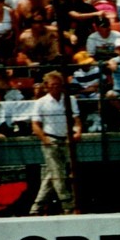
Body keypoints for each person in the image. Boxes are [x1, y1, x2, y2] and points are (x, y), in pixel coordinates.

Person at [29, 69, 80, 215]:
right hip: (50, 139)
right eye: (53, 85)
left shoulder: (70, 100)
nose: (56, 88)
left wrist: (77, 132)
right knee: (58, 174)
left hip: (66, 140)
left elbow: (76, 120)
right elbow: (35, 124)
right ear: (47, 86)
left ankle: (36, 207)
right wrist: (45, 140)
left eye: (58, 85)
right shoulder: (40, 103)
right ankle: (68, 205)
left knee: (52, 174)